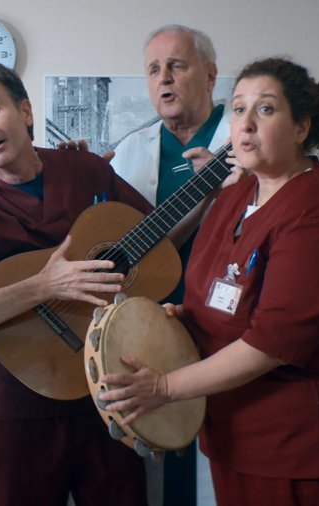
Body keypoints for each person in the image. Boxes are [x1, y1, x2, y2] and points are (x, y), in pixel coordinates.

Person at [99, 57, 319, 506]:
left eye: (265, 109)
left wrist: (164, 389)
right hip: (235, 429)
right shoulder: (237, 193)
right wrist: (182, 320)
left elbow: (271, 344)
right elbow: (220, 291)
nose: (246, 124)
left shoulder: (315, 218)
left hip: (301, 443)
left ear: (301, 127)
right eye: (238, 109)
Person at [0, 60, 152, 506]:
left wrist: (210, 195)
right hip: (17, 406)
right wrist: (44, 286)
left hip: (105, 388)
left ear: (26, 111)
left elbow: (154, 236)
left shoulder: (86, 169)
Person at [108, 24, 236, 505]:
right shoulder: (130, 151)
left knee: (222, 456)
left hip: (225, 320)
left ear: (210, 75)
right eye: (153, 70)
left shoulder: (241, 140)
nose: (163, 78)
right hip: (152, 324)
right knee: (164, 455)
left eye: (176, 66)